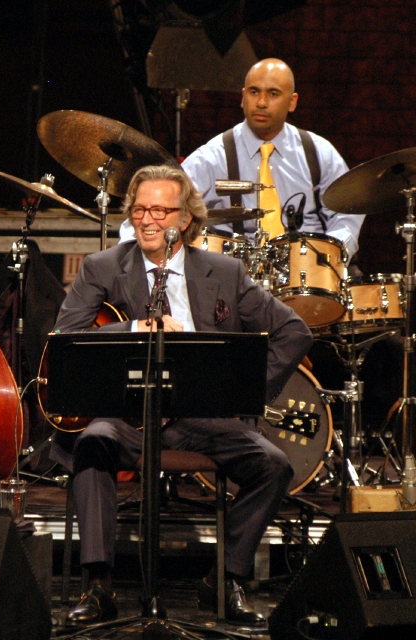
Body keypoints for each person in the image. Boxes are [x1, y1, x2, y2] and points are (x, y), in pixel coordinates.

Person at [53, 164, 312, 625]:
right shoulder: (104, 267)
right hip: (128, 417)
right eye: (139, 210)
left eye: (159, 210)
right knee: (92, 442)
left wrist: (244, 393)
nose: (148, 220)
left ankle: (224, 577)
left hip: (203, 417)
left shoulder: (226, 272)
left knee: (273, 465)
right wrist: (135, 327)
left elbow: (294, 332)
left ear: (185, 220)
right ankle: (98, 585)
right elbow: (65, 336)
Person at [119, 58, 364, 261]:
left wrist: (332, 253)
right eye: (254, 92)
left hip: (307, 276)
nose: (261, 103)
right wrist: (131, 255)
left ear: (292, 102)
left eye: (273, 94)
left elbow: (348, 214)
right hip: (233, 281)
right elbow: (159, 205)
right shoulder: (212, 157)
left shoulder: (320, 153)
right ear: (242, 97)